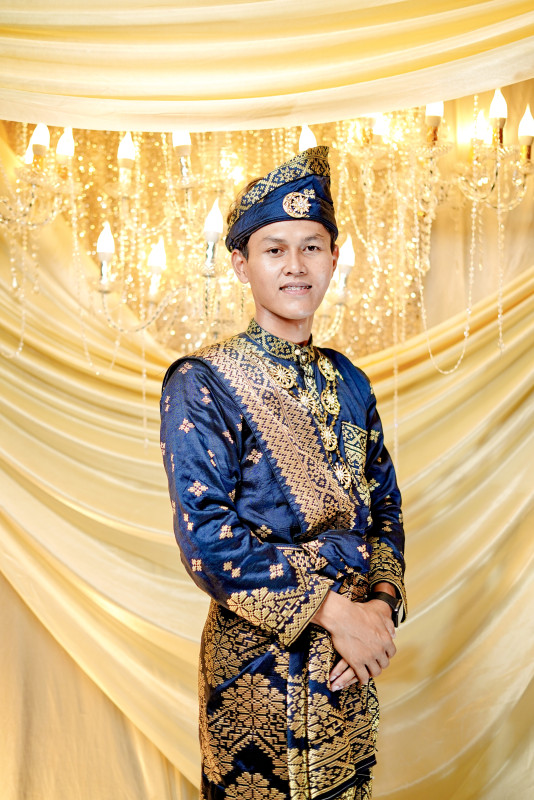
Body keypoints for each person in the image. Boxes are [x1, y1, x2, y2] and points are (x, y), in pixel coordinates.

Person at [160, 146, 406, 800]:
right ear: (242, 264)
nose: (296, 265)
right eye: (274, 250)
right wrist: (336, 613)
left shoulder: (350, 380)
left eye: (311, 247)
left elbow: (385, 511)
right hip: (257, 677)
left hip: (349, 671)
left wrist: (379, 611)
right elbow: (207, 541)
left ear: (333, 257)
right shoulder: (203, 382)